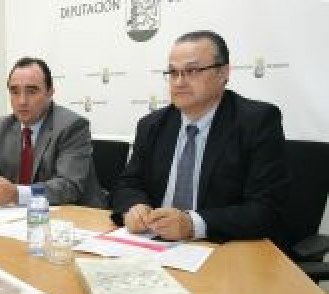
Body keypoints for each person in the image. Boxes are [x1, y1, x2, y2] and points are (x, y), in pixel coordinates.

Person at [110, 31, 287, 243]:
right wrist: (134, 207)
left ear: (223, 73)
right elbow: (128, 184)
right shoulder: (152, 125)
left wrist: (193, 224)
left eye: (192, 71)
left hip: (222, 246)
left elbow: (266, 209)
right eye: (173, 72)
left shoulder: (256, 122)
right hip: (154, 245)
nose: (179, 82)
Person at [0, 57, 105, 208]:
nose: (22, 101)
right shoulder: (1, 127)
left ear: (50, 92)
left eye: (32, 91)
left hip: (75, 214)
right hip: (18, 214)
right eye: (14, 92)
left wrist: (17, 194)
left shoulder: (71, 126)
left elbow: (68, 186)